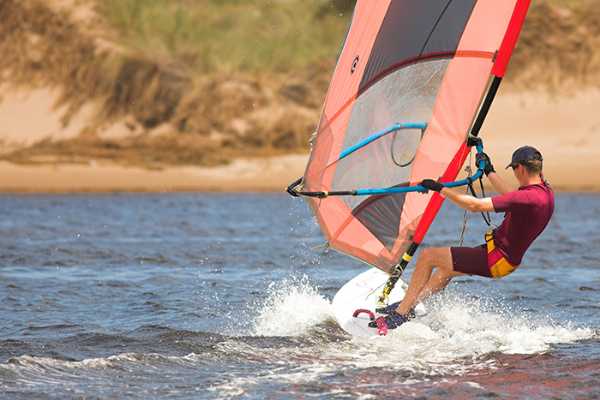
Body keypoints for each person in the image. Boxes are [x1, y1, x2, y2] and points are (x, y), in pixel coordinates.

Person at [369, 144, 555, 330]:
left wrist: (439, 188)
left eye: (514, 169)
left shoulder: (528, 198)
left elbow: (475, 206)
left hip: (496, 259)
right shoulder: (544, 193)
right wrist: (489, 171)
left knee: (428, 256)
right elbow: (511, 196)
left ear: (520, 168)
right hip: (503, 258)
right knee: (446, 270)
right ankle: (410, 304)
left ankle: (400, 314)